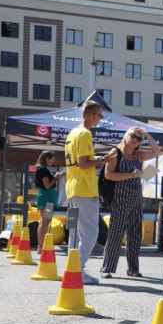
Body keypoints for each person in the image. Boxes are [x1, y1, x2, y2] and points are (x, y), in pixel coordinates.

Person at [64, 100, 117, 285]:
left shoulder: (73, 133)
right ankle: (78, 270)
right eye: (100, 116)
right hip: (85, 188)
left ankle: (72, 269)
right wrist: (103, 160)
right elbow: (84, 163)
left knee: (75, 232)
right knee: (90, 232)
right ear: (93, 115)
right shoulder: (86, 133)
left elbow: (81, 160)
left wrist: (101, 158)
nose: (100, 120)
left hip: (72, 187)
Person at [100, 127, 163, 278]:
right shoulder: (116, 152)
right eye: (133, 136)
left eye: (139, 138)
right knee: (116, 232)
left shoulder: (138, 155)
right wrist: (131, 175)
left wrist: (146, 134)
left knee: (136, 233)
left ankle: (133, 268)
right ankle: (107, 268)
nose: (135, 139)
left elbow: (157, 151)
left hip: (136, 196)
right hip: (121, 196)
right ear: (126, 136)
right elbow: (109, 175)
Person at [34, 151, 62, 246]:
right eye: (52, 159)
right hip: (47, 199)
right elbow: (47, 185)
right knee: (45, 222)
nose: (53, 162)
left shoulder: (42, 169)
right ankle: (41, 246)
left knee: (44, 221)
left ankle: (41, 246)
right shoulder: (43, 170)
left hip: (47, 198)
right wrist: (56, 177)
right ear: (47, 158)